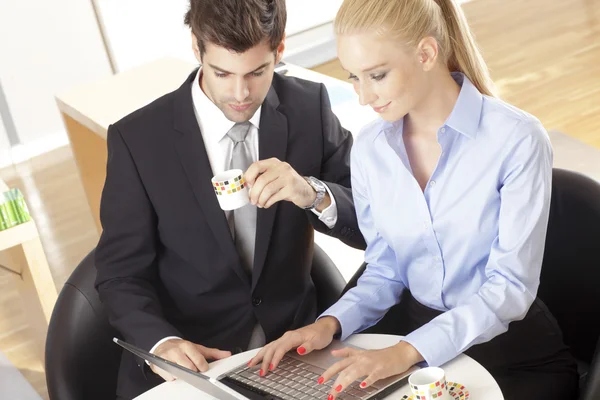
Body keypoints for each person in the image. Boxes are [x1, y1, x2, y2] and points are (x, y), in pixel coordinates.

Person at [249, 0, 579, 399]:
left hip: (509, 353)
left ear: (426, 53)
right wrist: (329, 325)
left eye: (377, 75)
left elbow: (508, 289)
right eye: (353, 77)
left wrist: (405, 352)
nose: (363, 97)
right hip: (414, 344)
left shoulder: (516, 140)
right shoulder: (372, 147)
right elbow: (386, 268)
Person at [94, 0, 366, 398]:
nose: (240, 93)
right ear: (196, 48)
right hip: (193, 366)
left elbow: (372, 224)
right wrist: (161, 344)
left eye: (257, 72)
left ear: (280, 50)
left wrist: (312, 193)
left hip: (293, 353)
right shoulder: (138, 140)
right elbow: (119, 274)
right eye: (222, 73)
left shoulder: (310, 108)